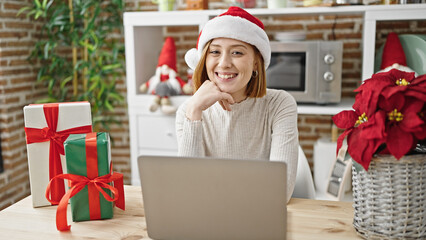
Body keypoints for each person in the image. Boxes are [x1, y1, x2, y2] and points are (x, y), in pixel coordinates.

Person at [176, 6, 299, 203]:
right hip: (208, 217)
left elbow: (280, 191)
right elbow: (189, 189)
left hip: (259, 217)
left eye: (237, 53)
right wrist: (194, 111)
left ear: (256, 63)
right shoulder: (189, 111)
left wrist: (211, 188)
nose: (224, 63)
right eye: (215, 52)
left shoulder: (279, 105)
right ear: (203, 59)